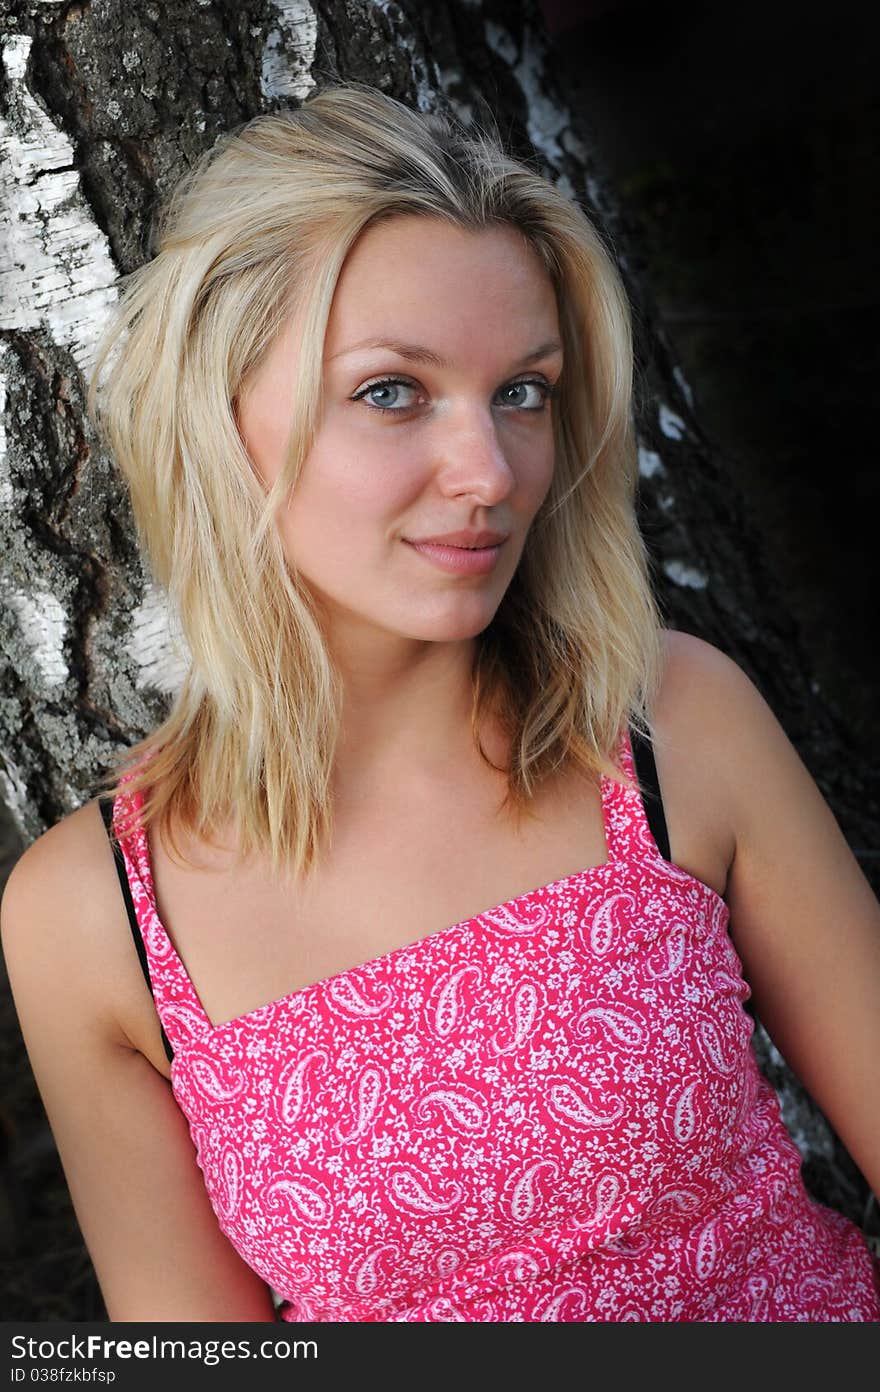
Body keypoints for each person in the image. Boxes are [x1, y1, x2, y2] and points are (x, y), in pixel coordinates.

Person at [2, 81, 879, 1324]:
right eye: (391, 391)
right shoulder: (88, 917)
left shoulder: (665, 726)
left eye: (522, 390)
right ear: (217, 419)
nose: (489, 473)